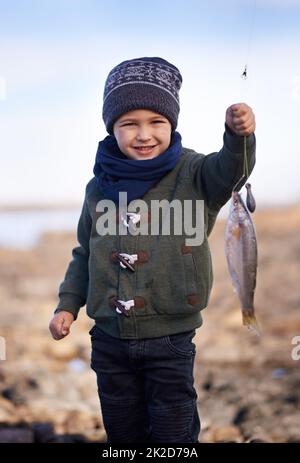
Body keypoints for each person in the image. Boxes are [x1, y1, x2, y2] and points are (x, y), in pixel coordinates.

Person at [49, 57, 256, 443]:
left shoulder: (195, 174)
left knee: (173, 432)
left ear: (172, 123)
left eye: (156, 122)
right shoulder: (98, 188)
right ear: (112, 128)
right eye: (130, 123)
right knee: (123, 431)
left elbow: (233, 171)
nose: (144, 134)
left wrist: (238, 136)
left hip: (171, 338)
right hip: (108, 339)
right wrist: (67, 304)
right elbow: (84, 253)